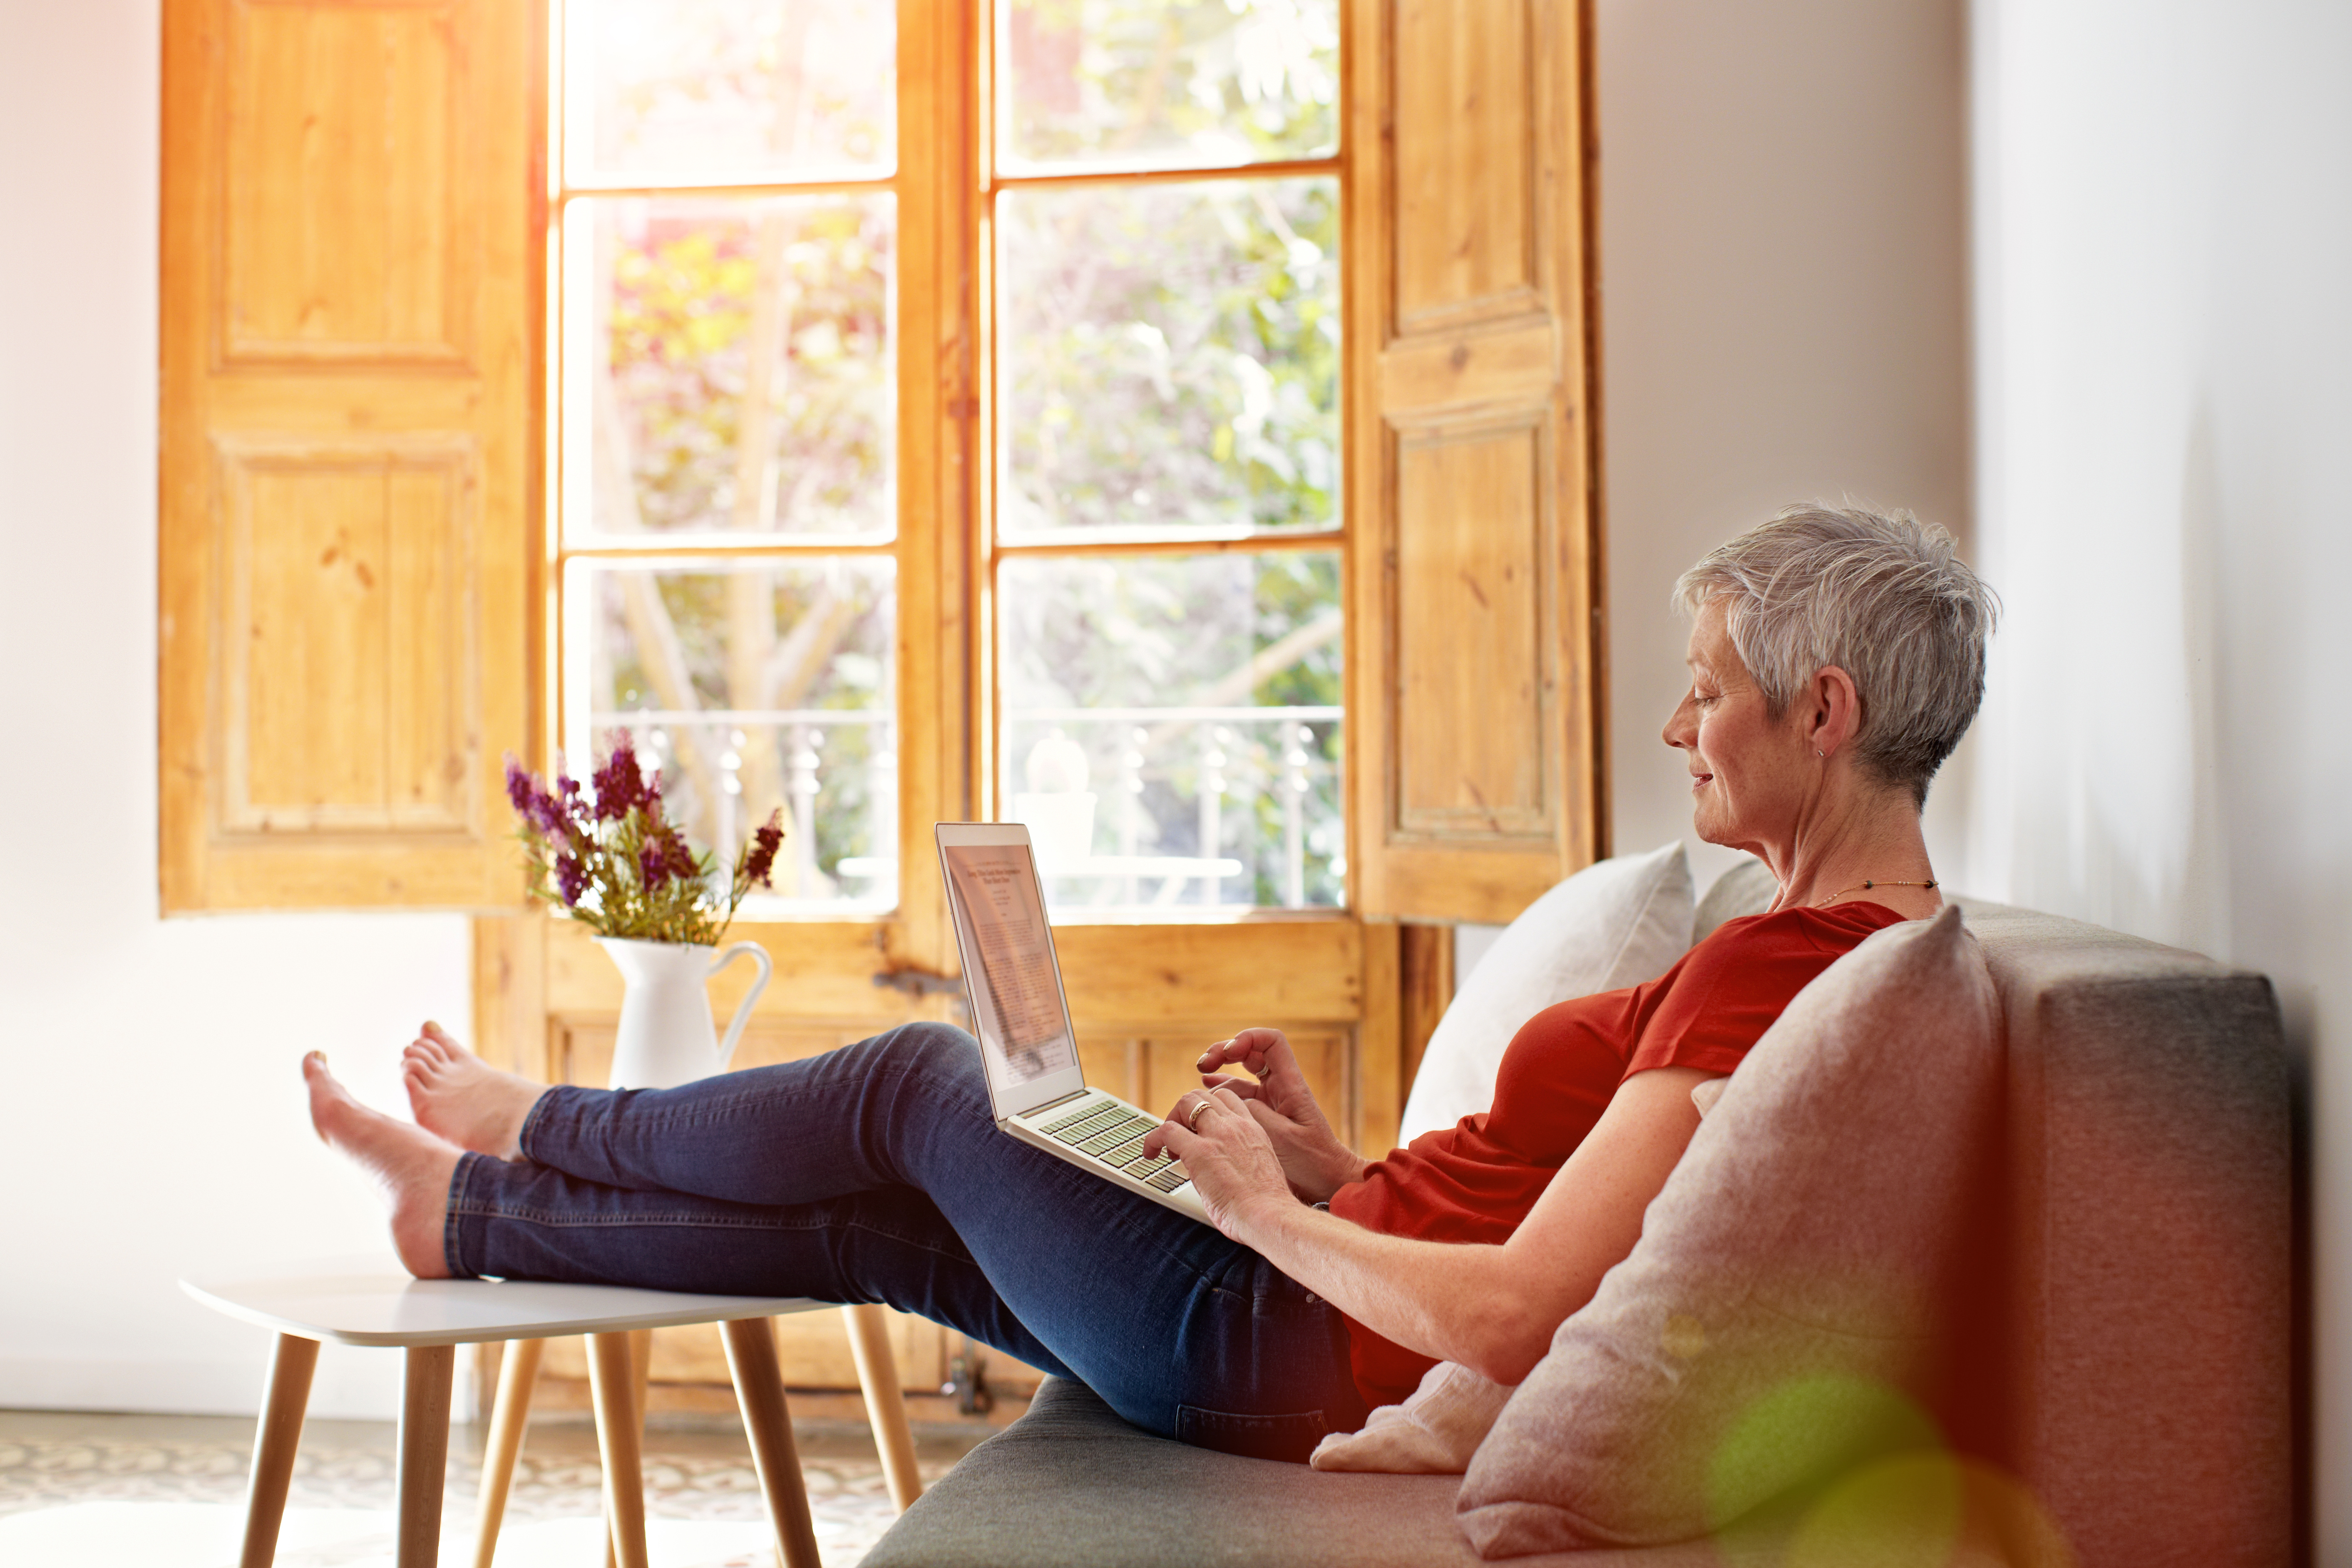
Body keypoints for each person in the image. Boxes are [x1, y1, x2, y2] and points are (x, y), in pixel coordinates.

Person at [305, 503, 1997, 1463]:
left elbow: (1521, 1314)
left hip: (1275, 1339)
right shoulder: (1845, 953)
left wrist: (1264, 1214)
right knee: (879, 1224)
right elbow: (1532, 1219)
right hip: (1295, 1299)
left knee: (916, 1082)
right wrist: (1333, 1167)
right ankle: (460, 1214)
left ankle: (546, 1119)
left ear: (1824, 712)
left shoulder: (1795, 967)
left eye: (1708, 696)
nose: (1678, 731)